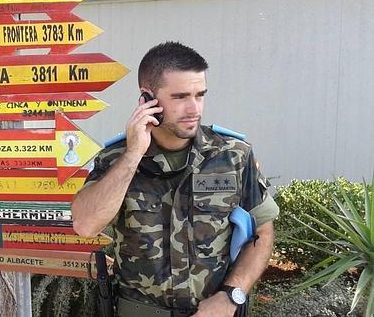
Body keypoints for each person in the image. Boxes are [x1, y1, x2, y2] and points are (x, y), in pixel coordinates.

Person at [72, 42, 279, 317]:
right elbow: (85, 224)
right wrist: (134, 153)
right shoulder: (115, 160)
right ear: (147, 99)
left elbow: (262, 234)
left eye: (200, 95)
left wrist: (232, 295)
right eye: (180, 97)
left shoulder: (233, 156)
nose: (194, 108)